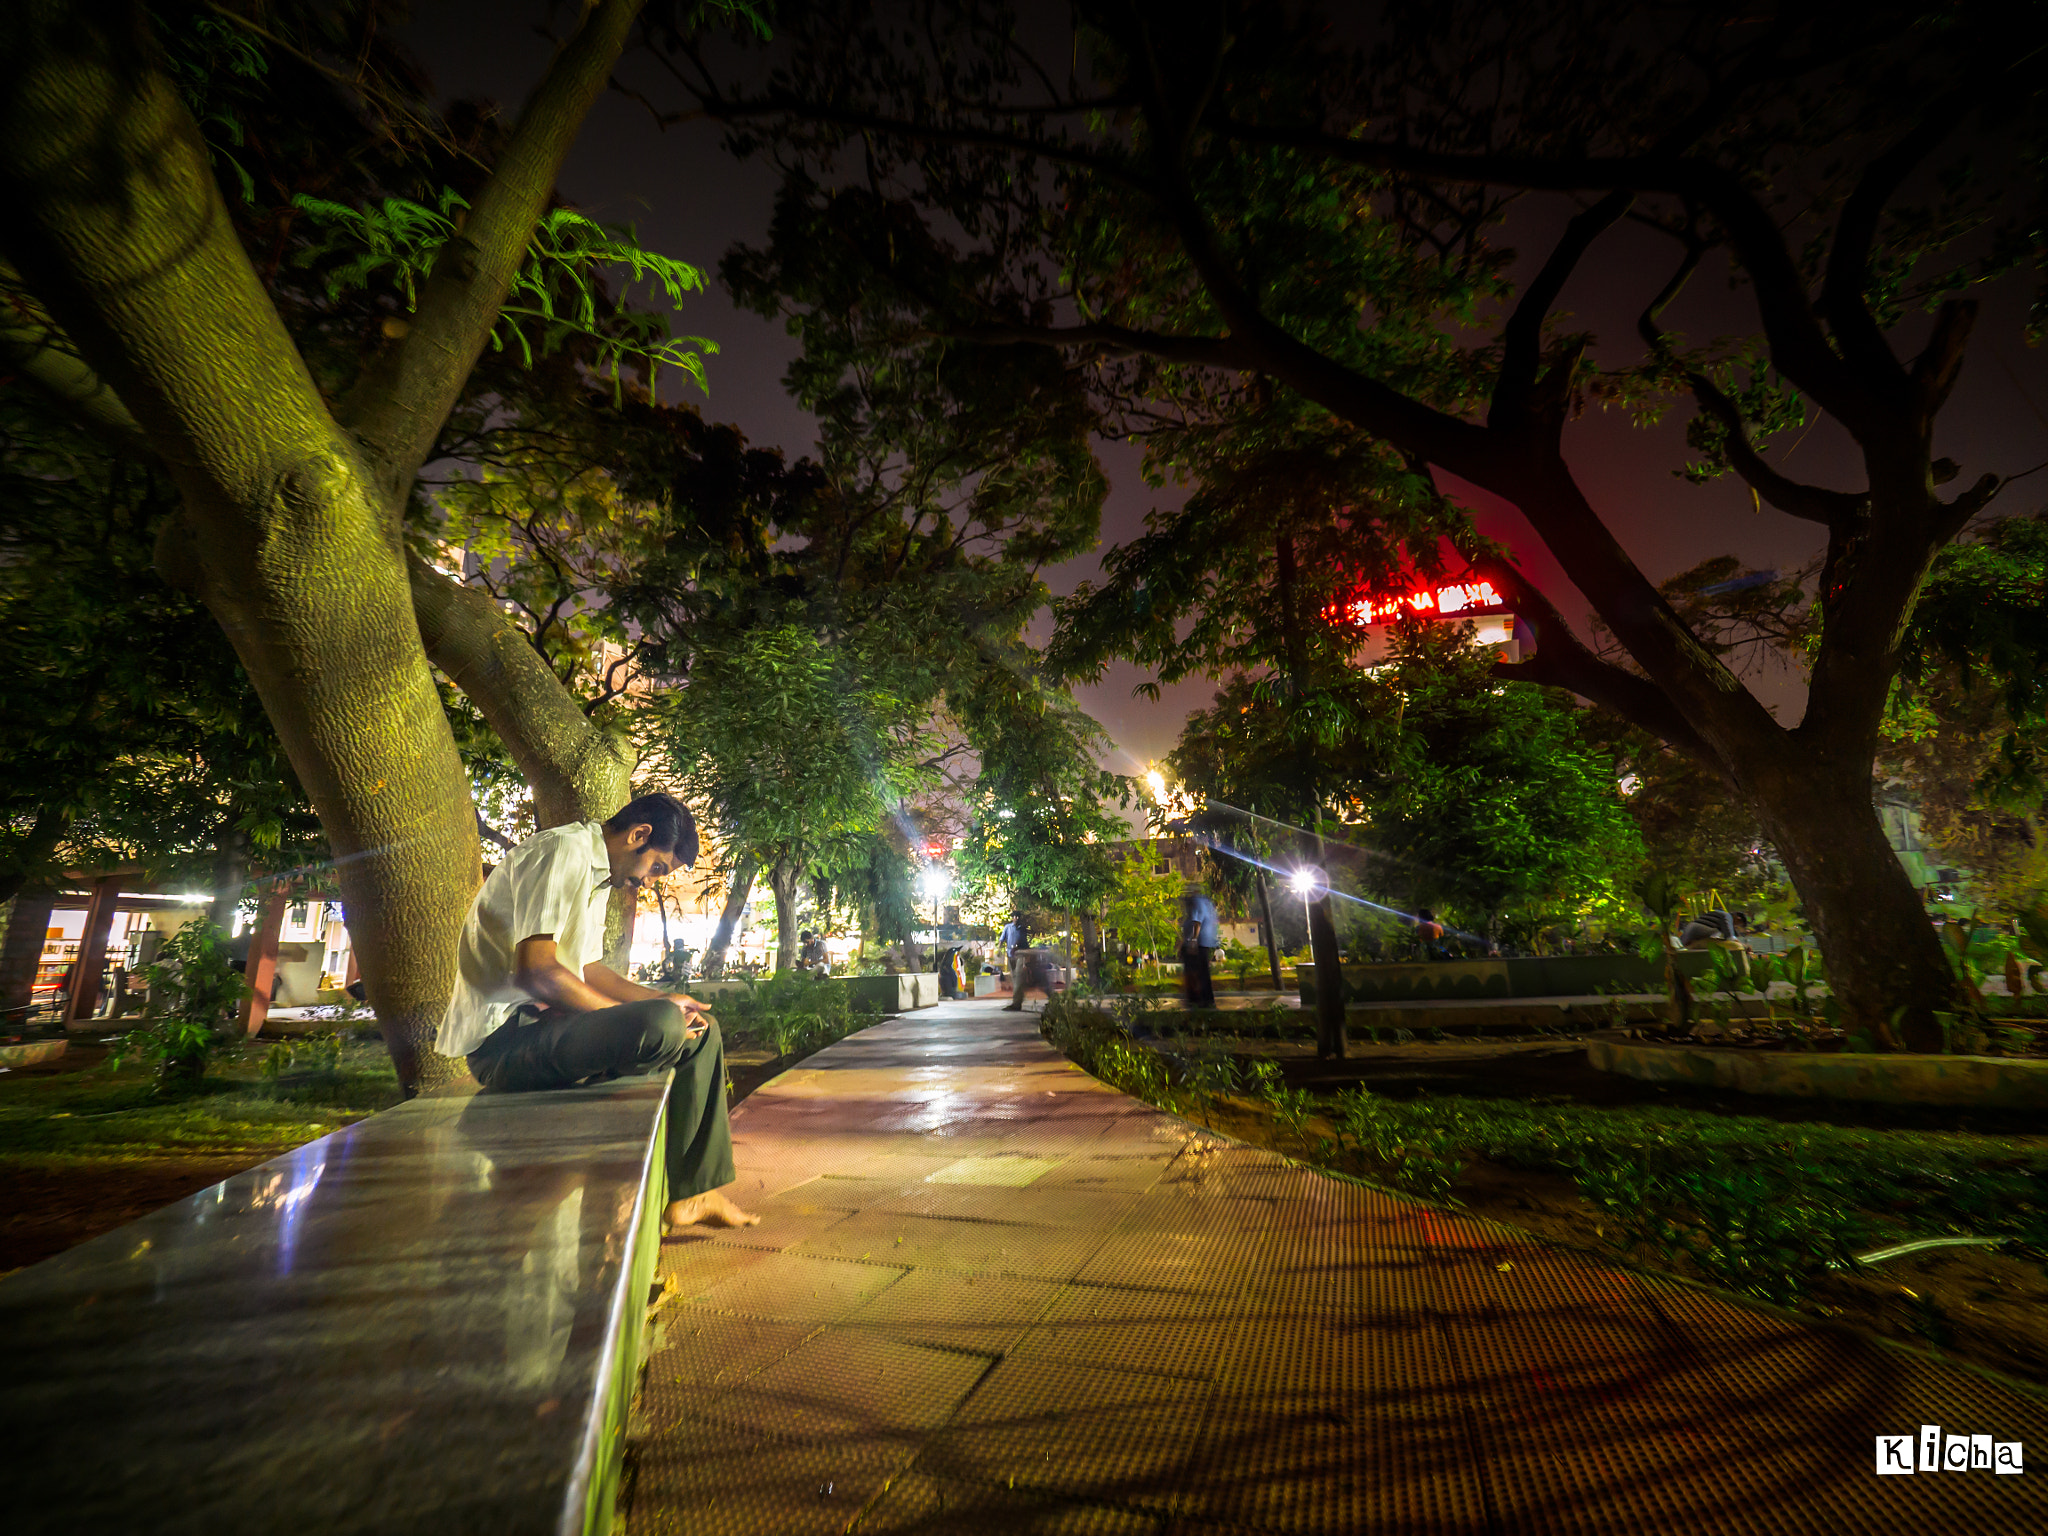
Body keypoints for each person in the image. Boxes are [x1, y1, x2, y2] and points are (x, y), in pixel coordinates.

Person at [434, 792, 757, 1232]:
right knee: (661, 1026)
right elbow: (537, 972)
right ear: (638, 835)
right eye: (657, 867)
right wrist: (637, 1019)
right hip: (503, 1042)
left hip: (548, 1029)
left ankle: (693, 1192)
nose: (650, 880)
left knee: (699, 1027)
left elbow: (586, 971)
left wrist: (661, 1001)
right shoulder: (561, 852)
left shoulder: (598, 875)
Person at [1179, 887, 1219, 1009]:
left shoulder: (1196, 902)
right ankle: (1204, 1000)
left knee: (1197, 972)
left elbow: (1197, 922)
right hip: (1206, 941)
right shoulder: (1206, 902)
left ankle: (1200, 1000)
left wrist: (1193, 941)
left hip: (1199, 943)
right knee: (1202, 972)